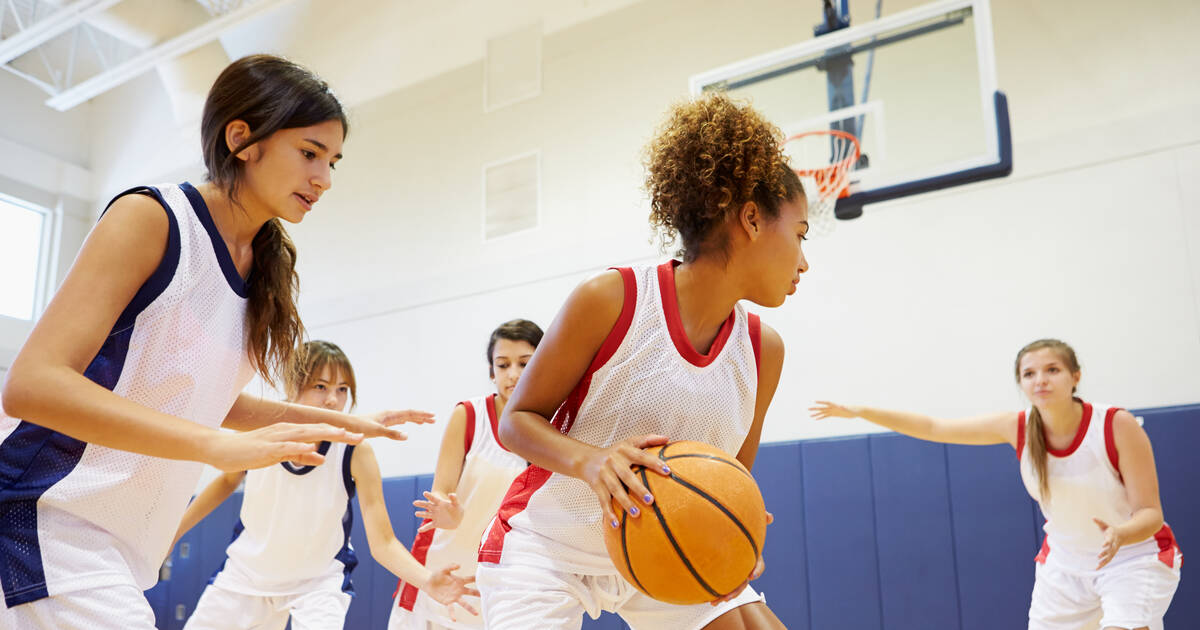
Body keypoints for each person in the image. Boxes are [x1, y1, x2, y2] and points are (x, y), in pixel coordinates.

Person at [0, 55, 422, 629]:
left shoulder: (263, 271)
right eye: (309, 153)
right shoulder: (151, 218)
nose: (324, 178)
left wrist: (337, 425)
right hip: (43, 518)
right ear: (243, 139)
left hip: (114, 546)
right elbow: (32, 387)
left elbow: (198, 397)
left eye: (332, 161)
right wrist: (212, 446)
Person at [475, 92, 805, 630]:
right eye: (800, 234)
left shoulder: (764, 350)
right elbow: (515, 421)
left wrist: (735, 522)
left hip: (661, 546)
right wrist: (592, 460)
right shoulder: (612, 299)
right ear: (750, 219)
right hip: (550, 545)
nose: (804, 261)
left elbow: (733, 473)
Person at [810, 338, 1182, 630]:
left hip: (1132, 559)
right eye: (1030, 373)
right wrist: (862, 411)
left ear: (1075, 376)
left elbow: (1151, 513)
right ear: (1021, 383)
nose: (1041, 380)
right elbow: (935, 427)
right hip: (1065, 568)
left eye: (1052, 369)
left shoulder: (1116, 424)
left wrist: (1121, 533)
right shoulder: (1017, 427)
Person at [175, 340, 476, 630]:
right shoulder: (263, 428)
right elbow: (226, 480)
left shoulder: (355, 451)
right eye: (320, 387)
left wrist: (425, 580)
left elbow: (383, 542)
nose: (333, 400)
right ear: (292, 386)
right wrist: (173, 534)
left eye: (342, 389)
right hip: (246, 575)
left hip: (318, 583)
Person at [390, 319, 543, 629]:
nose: (513, 374)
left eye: (524, 363)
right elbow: (441, 496)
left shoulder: (549, 427)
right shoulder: (469, 416)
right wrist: (448, 514)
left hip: (499, 581)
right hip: (440, 569)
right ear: (492, 371)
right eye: (503, 365)